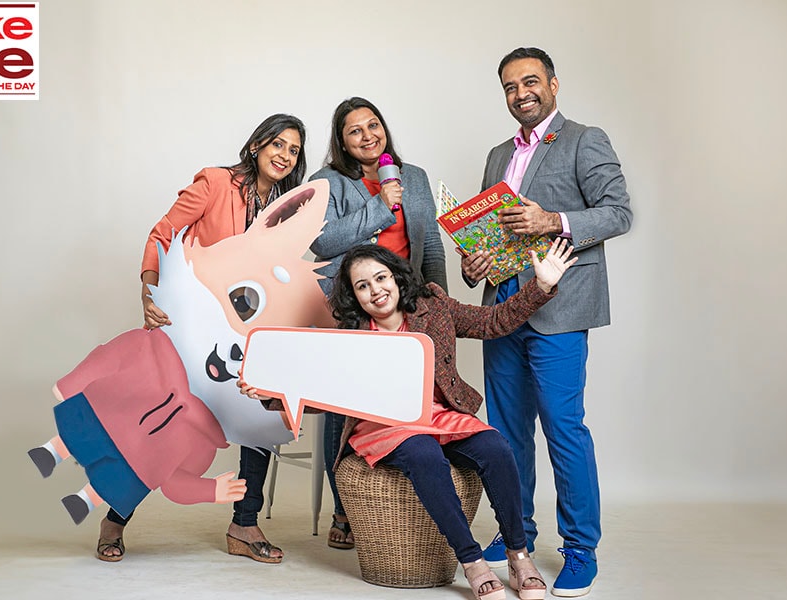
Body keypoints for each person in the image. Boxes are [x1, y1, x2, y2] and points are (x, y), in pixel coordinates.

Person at [240, 241, 578, 600]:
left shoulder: (433, 305)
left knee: (495, 446)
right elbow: (318, 393)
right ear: (354, 297)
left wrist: (540, 287)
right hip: (382, 426)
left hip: (438, 414)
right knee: (422, 454)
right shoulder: (349, 334)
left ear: (397, 277)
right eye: (363, 286)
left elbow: (491, 322)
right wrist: (266, 393)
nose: (376, 290)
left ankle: (518, 554)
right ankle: (471, 560)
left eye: (381, 277)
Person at [95, 113, 308, 563]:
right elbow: (162, 233)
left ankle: (244, 527)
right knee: (167, 428)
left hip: (251, 334)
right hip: (198, 331)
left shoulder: (284, 209)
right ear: (256, 145)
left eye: (293, 150)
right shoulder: (215, 182)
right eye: (278, 144)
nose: (285, 156)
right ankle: (115, 518)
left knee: (260, 421)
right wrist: (149, 288)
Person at [461, 47, 632, 597]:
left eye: (530, 82)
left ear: (554, 85)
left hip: (560, 307)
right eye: (510, 87)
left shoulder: (586, 139)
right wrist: (474, 261)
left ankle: (580, 548)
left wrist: (551, 219)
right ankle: (518, 537)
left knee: (563, 429)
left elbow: (618, 211)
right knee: (507, 434)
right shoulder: (495, 155)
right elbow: (492, 234)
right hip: (502, 306)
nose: (520, 93)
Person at [308, 96, 448, 550]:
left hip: (406, 303)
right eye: (355, 130)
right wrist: (380, 207)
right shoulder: (326, 182)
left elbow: (430, 247)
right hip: (351, 304)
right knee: (345, 405)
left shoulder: (416, 178)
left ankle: (399, 498)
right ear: (342, 142)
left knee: (411, 400)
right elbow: (322, 241)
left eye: (374, 125)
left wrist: (437, 299)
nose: (368, 136)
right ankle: (345, 508)